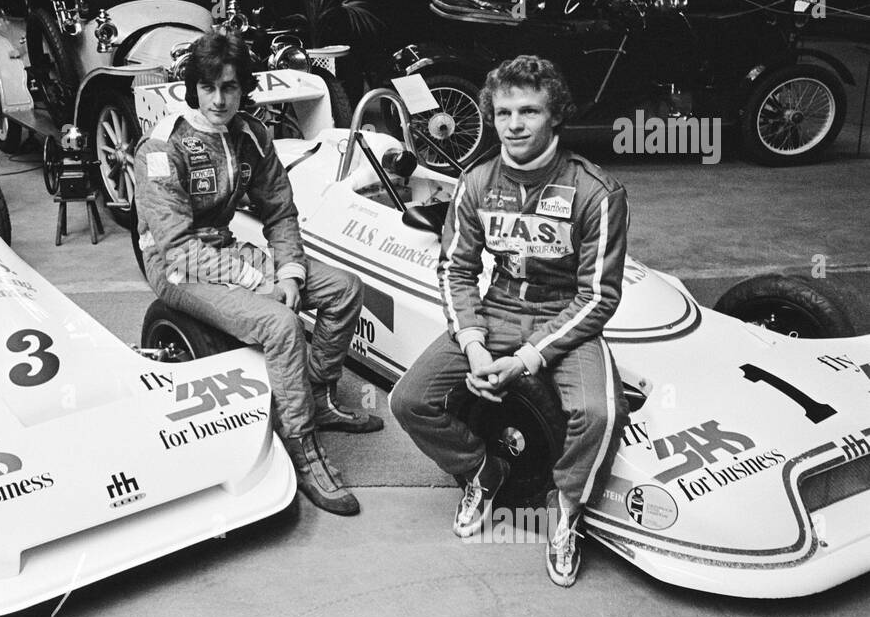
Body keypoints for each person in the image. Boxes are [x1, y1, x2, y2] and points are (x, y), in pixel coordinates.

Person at [390, 55, 629, 587]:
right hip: (496, 310)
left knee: (599, 413)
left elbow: (598, 297)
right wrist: (475, 347)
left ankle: (567, 508)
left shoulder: (597, 190)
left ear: (555, 116)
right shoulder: (476, 182)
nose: (514, 124)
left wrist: (527, 359)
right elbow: (455, 269)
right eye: (503, 113)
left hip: (563, 316)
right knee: (408, 400)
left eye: (529, 111)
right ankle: (482, 470)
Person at [134, 32, 383, 516]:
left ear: (242, 88)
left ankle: (317, 395)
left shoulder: (249, 133)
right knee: (280, 325)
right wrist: (261, 285)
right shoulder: (163, 147)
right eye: (208, 87)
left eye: (229, 87)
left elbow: (282, 212)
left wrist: (289, 272)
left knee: (344, 289)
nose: (220, 99)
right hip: (176, 267)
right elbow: (179, 247)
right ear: (193, 88)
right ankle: (302, 444)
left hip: (226, 249)